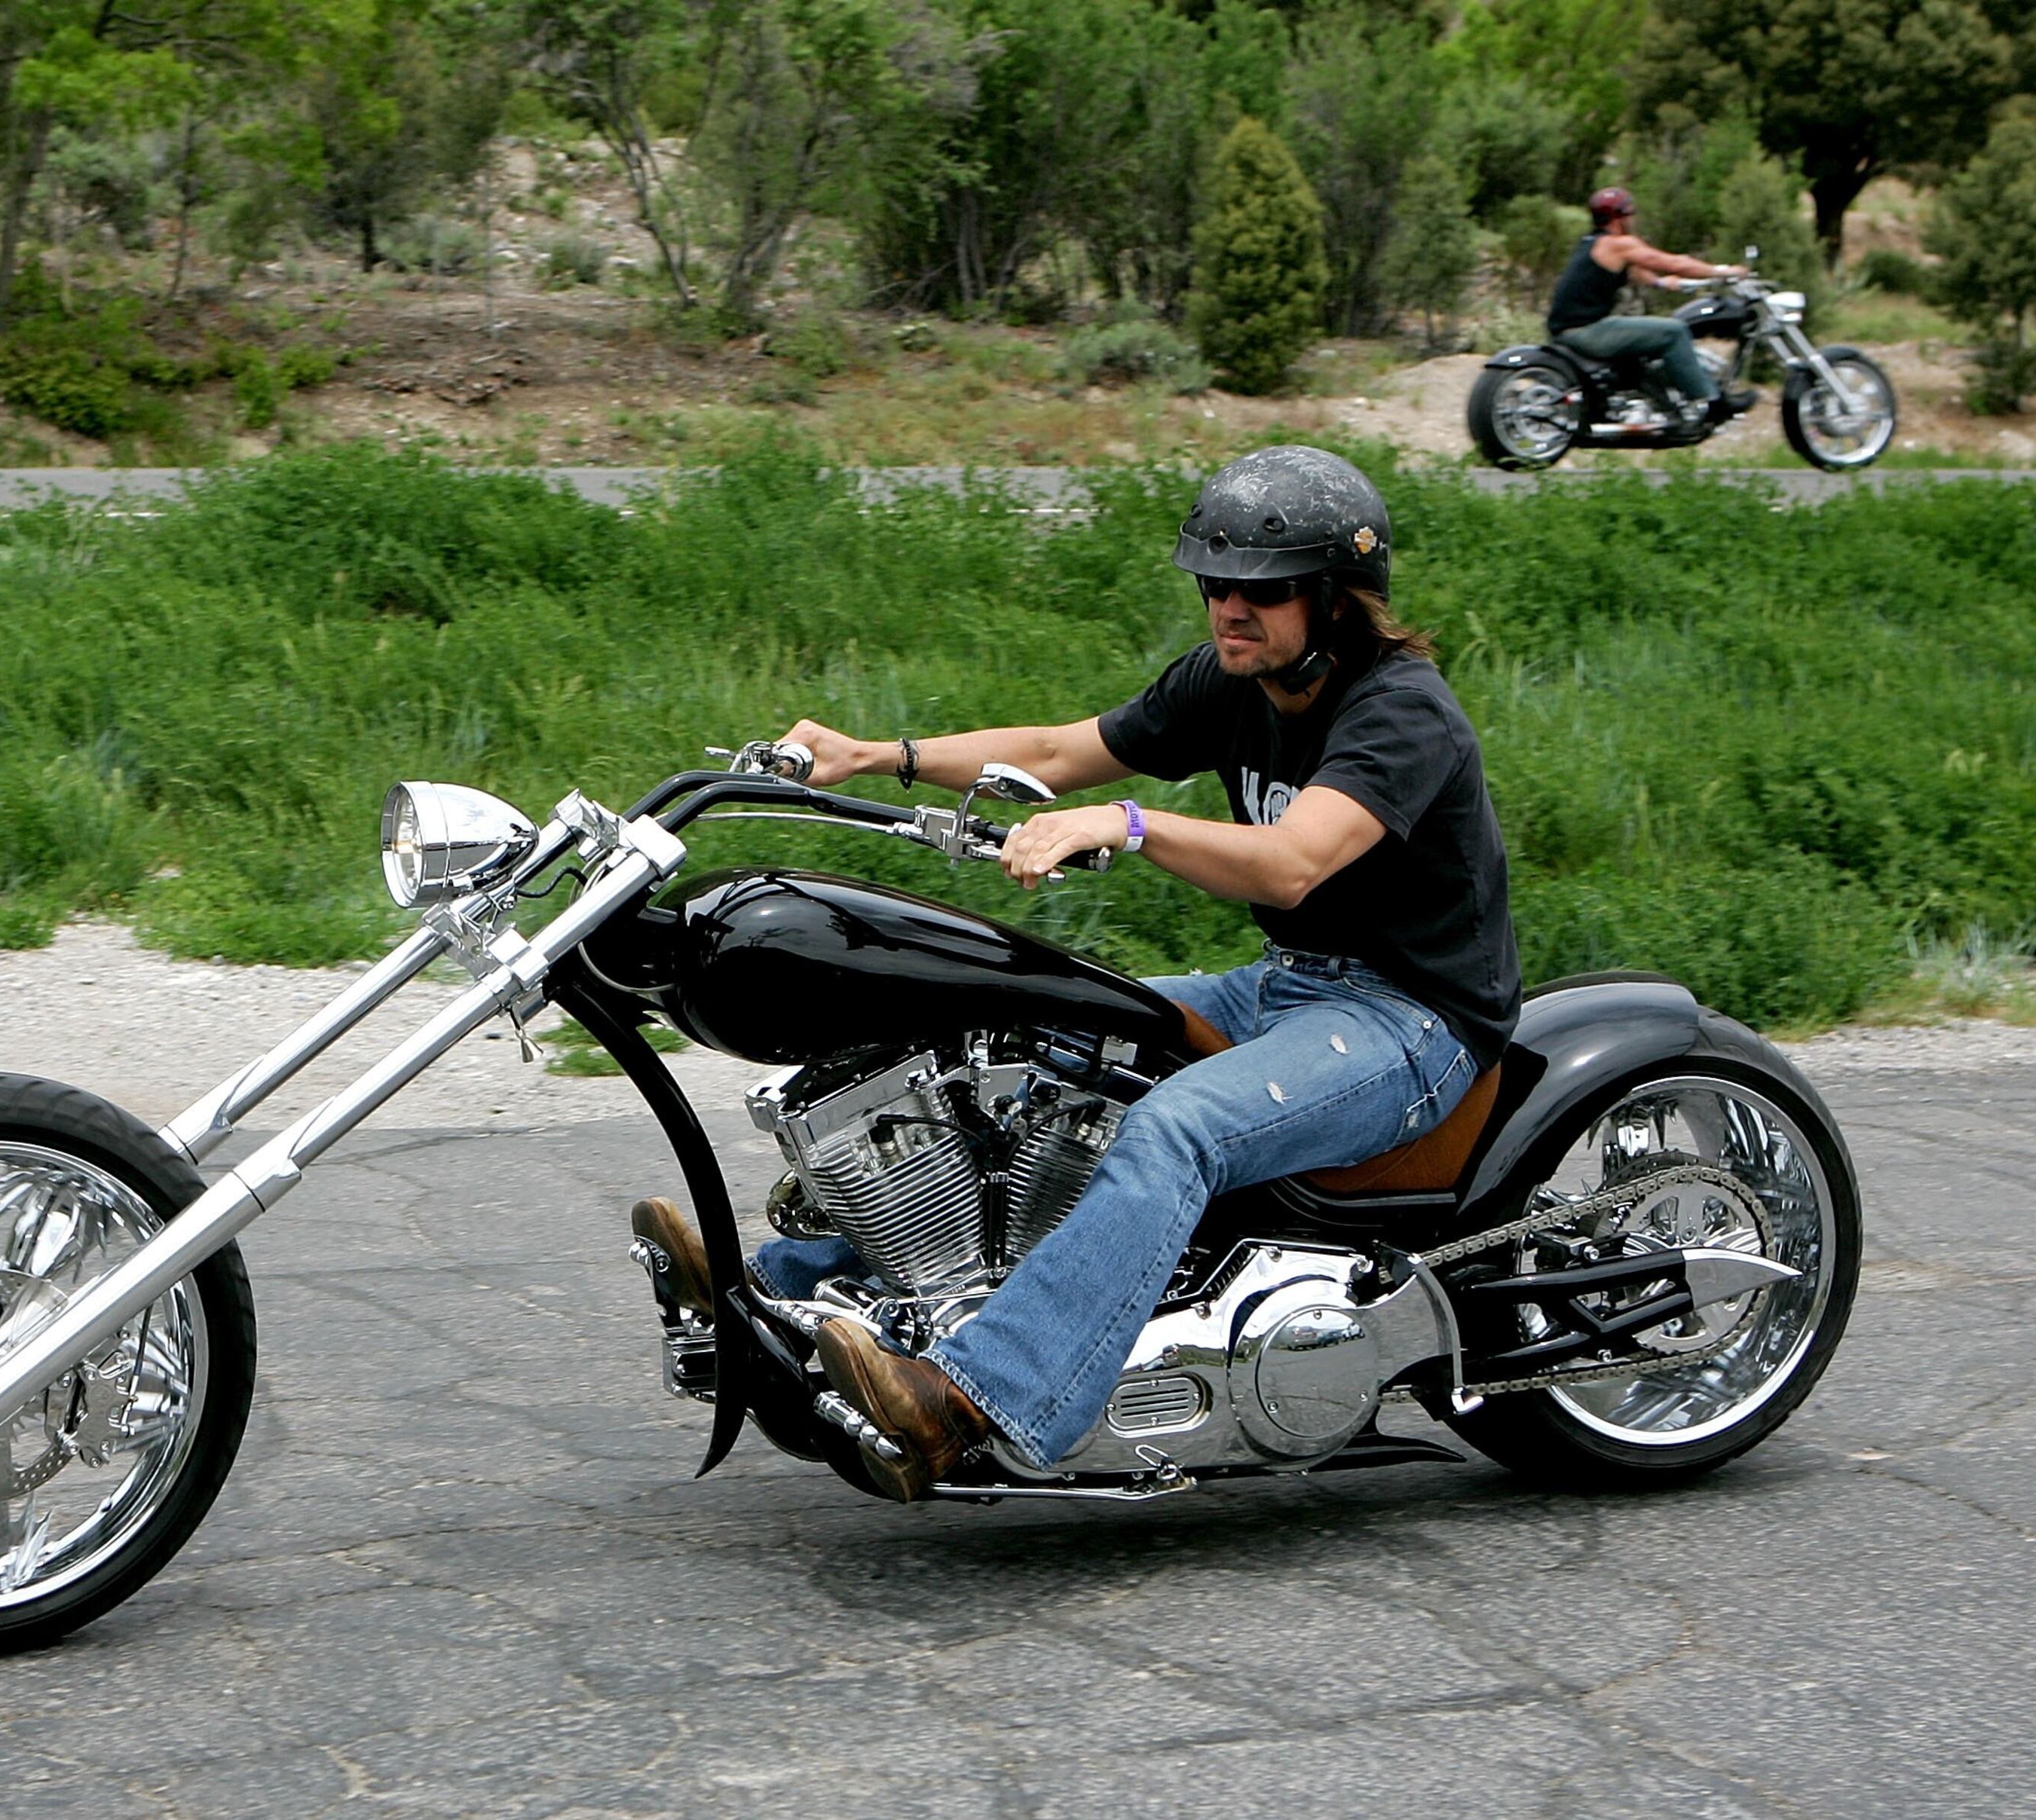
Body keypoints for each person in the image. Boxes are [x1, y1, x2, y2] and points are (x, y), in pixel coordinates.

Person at [641, 446, 1523, 1502]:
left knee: (1176, 1127)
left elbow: (1294, 864)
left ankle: (974, 1397)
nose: (1230, 607)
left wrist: (1136, 823)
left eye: (1264, 588)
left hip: (1410, 1020)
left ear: (1339, 598)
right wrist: (877, 754)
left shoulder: (1399, 709)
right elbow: (1061, 752)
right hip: (1292, 985)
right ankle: (795, 1290)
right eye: (1216, 583)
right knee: (1038, 1057)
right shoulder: (1234, 679)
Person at [1547, 186, 1757, 426]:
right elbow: (1671, 262)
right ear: (1620, 217)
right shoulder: (1618, 244)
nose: (1633, 219)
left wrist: (1661, 283)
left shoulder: (1593, 243)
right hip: (1587, 330)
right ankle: (1712, 403)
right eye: (1630, 214)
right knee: (1674, 331)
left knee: (1651, 337)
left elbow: (1635, 270)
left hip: (1567, 329)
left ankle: (1658, 398)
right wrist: (1723, 272)